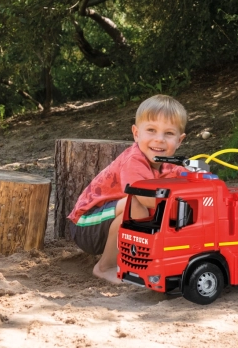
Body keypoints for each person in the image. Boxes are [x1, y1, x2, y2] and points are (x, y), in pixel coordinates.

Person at [67, 94, 187, 284]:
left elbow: (186, 179)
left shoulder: (169, 166)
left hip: (107, 224)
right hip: (86, 225)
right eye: (151, 130)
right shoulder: (134, 160)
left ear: (179, 141)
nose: (159, 139)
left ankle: (136, 259)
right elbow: (148, 198)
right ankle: (105, 267)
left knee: (148, 208)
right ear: (136, 133)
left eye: (169, 134)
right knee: (137, 202)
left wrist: (196, 176)